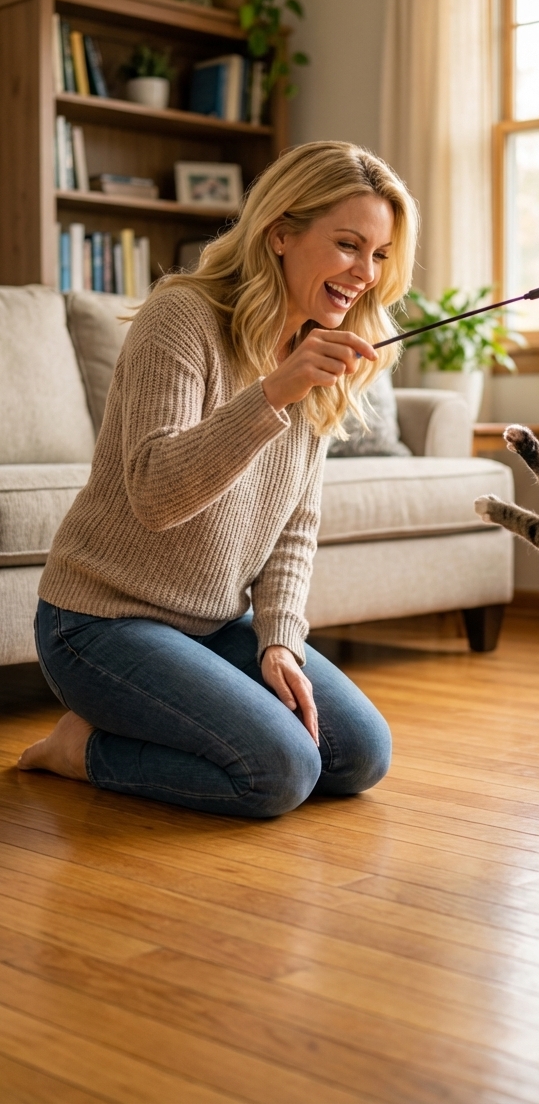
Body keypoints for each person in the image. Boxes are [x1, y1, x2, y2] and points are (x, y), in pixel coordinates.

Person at [18, 141, 418, 817]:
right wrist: (271, 394)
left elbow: (294, 528)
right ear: (281, 232)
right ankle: (79, 749)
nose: (366, 274)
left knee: (357, 755)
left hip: (210, 622)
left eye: (379, 255)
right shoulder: (181, 318)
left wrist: (280, 641)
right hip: (99, 624)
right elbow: (153, 493)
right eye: (349, 244)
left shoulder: (316, 349)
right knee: (279, 773)